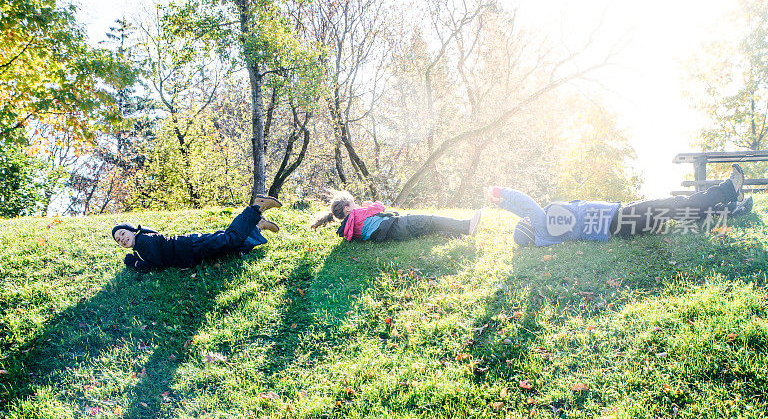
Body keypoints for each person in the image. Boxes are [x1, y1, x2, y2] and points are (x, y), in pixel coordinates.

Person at [485, 164, 753, 247]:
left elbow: (525, 211)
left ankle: (733, 209)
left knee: (681, 213)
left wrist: (502, 203)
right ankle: (729, 189)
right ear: (531, 226)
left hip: (621, 222)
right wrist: (502, 192)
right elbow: (528, 206)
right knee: (675, 205)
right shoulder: (544, 222)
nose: (531, 217)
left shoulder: (545, 233)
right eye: (529, 220)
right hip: (622, 218)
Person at [112, 195, 283, 271]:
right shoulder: (140, 246)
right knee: (234, 247)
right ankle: (257, 225)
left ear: (132, 230)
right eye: (119, 240)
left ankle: (257, 207)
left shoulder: (143, 241)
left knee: (230, 239)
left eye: (122, 233)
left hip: (191, 246)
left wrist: (135, 264)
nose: (122, 239)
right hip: (192, 251)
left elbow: (156, 263)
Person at [309, 190, 482, 241]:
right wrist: (368, 204)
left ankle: (454, 234)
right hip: (398, 225)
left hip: (393, 234)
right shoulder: (357, 212)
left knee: (426, 228)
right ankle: (467, 226)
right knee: (430, 220)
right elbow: (380, 207)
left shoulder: (349, 229)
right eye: (353, 202)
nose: (355, 204)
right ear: (347, 208)